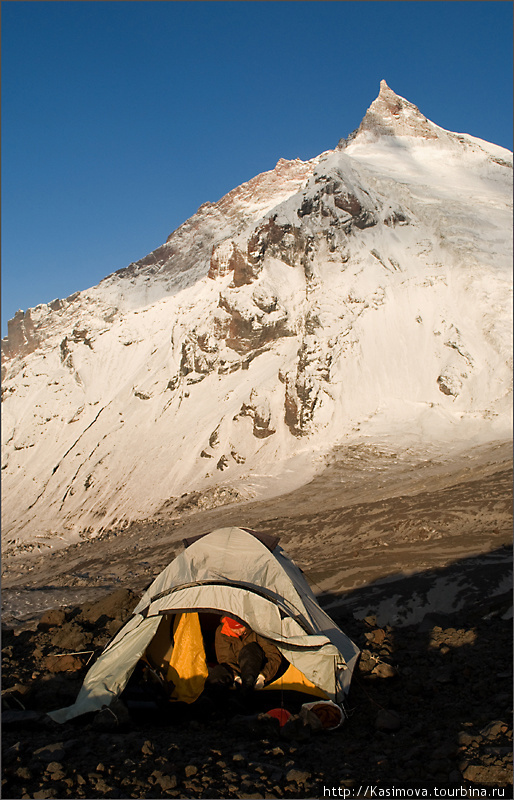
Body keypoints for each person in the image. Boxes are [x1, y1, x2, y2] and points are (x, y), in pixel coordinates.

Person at [206, 615, 282, 691]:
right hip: (235, 672)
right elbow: (225, 659)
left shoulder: (257, 629)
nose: (239, 632)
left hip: (258, 670)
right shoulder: (222, 632)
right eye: (234, 629)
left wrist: (263, 676)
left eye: (241, 627)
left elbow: (274, 655)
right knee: (218, 672)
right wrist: (236, 677)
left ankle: (248, 686)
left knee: (250, 650)